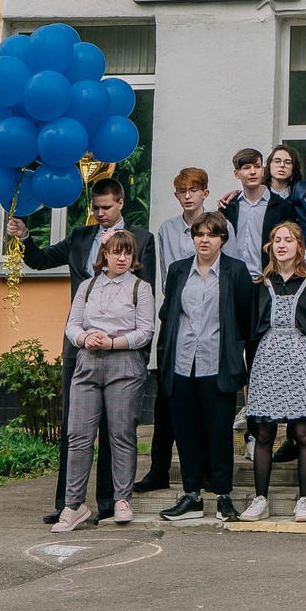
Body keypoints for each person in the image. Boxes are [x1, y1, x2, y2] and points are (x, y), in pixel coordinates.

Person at [12, 176, 155, 524]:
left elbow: (145, 294)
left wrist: (140, 351)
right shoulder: (80, 236)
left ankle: (109, 501)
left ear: (120, 203)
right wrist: (26, 237)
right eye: (96, 208)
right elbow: (41, 260)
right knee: (75, 429)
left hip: (122, 352)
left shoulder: (141, 239)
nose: (100, 213)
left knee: (116, 430)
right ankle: (68, 502)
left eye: (106, 207)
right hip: (80, 348)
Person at [154, 213, 259, 521]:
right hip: (181, 363)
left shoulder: (235, 270)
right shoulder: (178, 270)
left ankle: (224, 496)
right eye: (199, 234)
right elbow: (168, 315)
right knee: (186, 432)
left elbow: (245, 319)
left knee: (219, 433)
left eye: (211, 235)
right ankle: (192, 496)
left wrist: (241, 357)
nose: (204, 240)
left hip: (218, 364)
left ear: (222, 239)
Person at [56, 227, 156, 530]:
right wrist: (85, 338)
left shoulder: (140, 288)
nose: (122, 258)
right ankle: (73, 505)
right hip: (88, 362)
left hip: (124, 364)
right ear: (105, 254)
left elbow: (145, 331)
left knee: (121, 434)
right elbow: (72, 325)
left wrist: (113, 342)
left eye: (128, 252)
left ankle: (121, 500)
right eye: (116, 252)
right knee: (78, 436)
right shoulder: (88, 286)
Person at [238, 222, 306, 521]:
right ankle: (260, 499)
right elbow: (251, 329)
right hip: (267, 358)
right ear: (270, 246)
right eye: (277, 240)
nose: (282, 245)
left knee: (302, 431)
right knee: (264, 432)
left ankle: (304, 499)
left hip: (301, 357)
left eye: (288, 240)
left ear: (300, 246)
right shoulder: (261, 283)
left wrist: (301, 353)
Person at [137, 166, 212, 492]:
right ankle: (159, 469)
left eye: (193, 190)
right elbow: (166, 276)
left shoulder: (218, 226)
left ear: (205, 193)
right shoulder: (167, 230)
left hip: (209, 317)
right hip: (175, 316)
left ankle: (206, 469)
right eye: (182, 191)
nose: (187, 196)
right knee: (166, 395)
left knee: (204, 395)